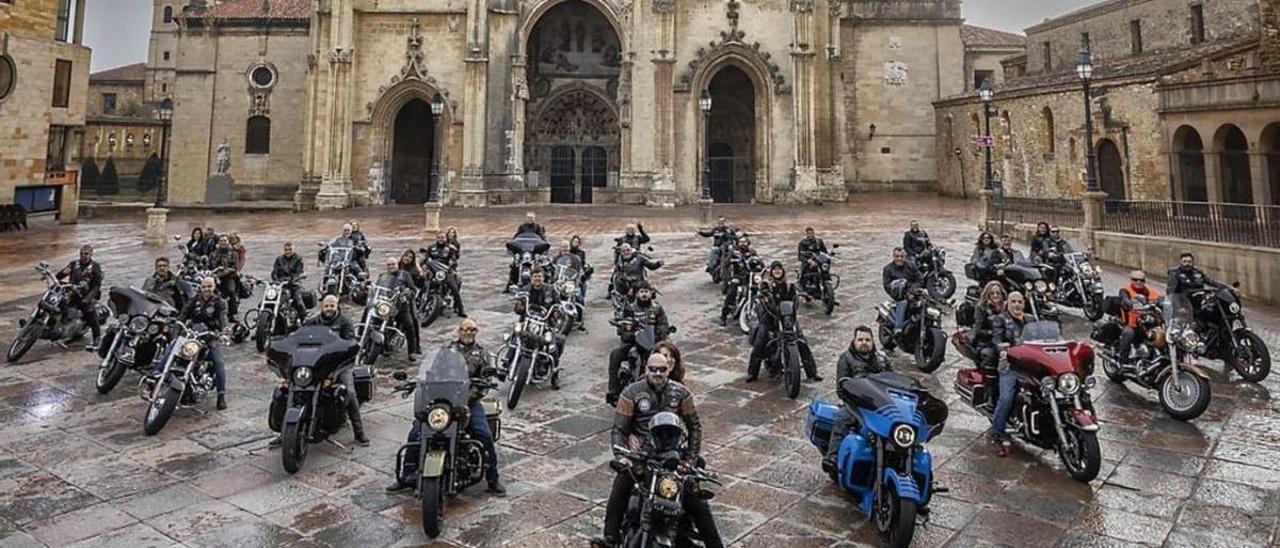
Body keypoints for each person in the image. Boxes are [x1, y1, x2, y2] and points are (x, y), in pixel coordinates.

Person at [593, 353, 721, 548]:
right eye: (653, 369)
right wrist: (622, 457)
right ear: (646, 369)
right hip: (642, 456)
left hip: (673, 457)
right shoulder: (631, 393)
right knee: (621, 483)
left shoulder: (681, 393)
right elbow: (619, 429)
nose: (657, 373)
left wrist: (691, 459)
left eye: (662, 369)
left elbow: (695, 427)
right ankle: (610, 537)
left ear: (669, 369)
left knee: (697, 500)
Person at [387, 319, 506, 495]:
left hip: (468, 402)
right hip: (443, 401)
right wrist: (421, 385)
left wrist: (469, 395)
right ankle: (406, 476)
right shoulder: (446, 351)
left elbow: (486, 381)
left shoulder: (482, 354)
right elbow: (432, 372)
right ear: (459, 331)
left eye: (472, 329)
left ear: (476, 331)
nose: (468, 332)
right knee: (415, 433)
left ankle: (493, 478)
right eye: (465, 329)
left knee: (484, 435)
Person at [286, 294, 367, 446]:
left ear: (337, 307)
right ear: (322, 306)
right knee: (288, 387)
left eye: (332, 306)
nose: (329, 309)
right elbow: (298, 337)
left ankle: (359, 432)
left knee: (349, 392)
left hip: (339, 365)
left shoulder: (345, 322)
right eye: (327, 306)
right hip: (316, 364)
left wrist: (347, 347)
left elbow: (350, 342)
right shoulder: (312, 322)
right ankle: (284, 432)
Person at [822, 325, 891, 474]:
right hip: (855, 404)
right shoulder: (846, 359)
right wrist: (854, 399)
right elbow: (841, 388)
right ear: (854, 341)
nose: (864, 342)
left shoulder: (882, 359)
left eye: (867, 340)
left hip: (879, 404)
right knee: (843, 420)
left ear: (873, 341)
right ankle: (832, 456)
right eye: (860, 340)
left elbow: (892, 380)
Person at [746, 261, 820, 382]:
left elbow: (797, 291)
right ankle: (752, 373)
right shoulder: (767, 285)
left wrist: (805, 295)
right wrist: (762, 294)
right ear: (772, 272)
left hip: (788, 317)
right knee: (760, 341)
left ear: (783, 271)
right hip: (770, 317)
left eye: (779, 269)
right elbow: (761, 293)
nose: (777, 271)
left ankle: (812, 372)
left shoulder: (789, 285)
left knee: (802, 342)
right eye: (775, 270)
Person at [606, 282, 672, 405]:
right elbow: (623, 326)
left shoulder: (657, 308)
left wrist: (662, 333)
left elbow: (663, 324)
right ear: (637, 294)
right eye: (641, 292)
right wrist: (628, 333)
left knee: (668, 356)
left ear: (651, 293)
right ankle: (613, 390)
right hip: (633, 343)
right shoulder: (630, 308)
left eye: (646, 291)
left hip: (652, 342)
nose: (644, 294)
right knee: (615, 355)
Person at [177, 277, 229, 410]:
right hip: (193, 334)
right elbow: (183, 315)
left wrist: (223, 332)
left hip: (211, 336)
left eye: (209, 286)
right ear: (200, 287)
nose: (206, 289)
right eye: (204, 286)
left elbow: (223, 318)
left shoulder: (219, 302)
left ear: (214, 287)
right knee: (174, 351)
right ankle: (158, 376)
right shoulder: (194, 300)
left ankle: (221, 395)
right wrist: (177, 328)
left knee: (218, 362)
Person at [991, 291, 1031, 457]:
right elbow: (997, 339)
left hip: (1031, 365)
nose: (1017, 305)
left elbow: (1043, 337)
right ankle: (998, 432)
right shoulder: (1000, 320)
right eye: (1013, 302)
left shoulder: (1031, 320)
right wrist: (1003, 350)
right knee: (1007, 396)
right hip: (1010, 365)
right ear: (1007, 303)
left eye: (1020, 302)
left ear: (1024, 303)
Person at [374, 256, 422, 360]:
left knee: (409, 325)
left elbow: (413, 290)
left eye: (393, 264)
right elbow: (376, 289)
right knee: (373, 320)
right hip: (385, 306)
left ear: (397, 264)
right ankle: (372, 344)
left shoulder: (404, 274)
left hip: (400, 306)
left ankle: (412, 351)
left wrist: (406, 296)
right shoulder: (382, 276)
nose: (391, 266)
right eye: (389, 265)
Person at [967, 281, 1006, 407]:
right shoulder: (981, 308)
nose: (995, 295)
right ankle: (989, 395)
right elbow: (977, 327)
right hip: (986, 342)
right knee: (990, 356)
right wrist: (991, 332)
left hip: (1004, 341)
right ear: (987, 295)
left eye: (998, 293)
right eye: (992, 293)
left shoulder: (1007, 306)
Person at [58, 244, 104, 349]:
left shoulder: (95, 267)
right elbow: (62, 274)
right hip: (72, 293)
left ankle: (97, 337)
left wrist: (88, 298)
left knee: (90, 312)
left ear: (91, 254)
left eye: (86, 254)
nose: (83, 256)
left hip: (85, 296)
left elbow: (97, 285)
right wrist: (53, 279)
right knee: (58, 303)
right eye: (82, 253)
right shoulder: (74, 264)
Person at [1117, 270, 1160, 367]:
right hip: (1131, 324)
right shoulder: (1125, 290)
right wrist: (1130, 304)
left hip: (1147, 324)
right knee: (1128, 333)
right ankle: (1122, 361)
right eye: (1135, 280)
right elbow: (1124, 299)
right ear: (1131, 280)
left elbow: (1160, 299)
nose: (1138, 282)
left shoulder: (1149, 292)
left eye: (1141, 280)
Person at [1167, 252, 1233, 313]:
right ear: (1181, 262)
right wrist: (1178, 306)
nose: (1187, 264)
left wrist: (1229, 288)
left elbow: (1212, 282)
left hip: (1201, 301)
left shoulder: (1197, 272)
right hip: (1185, 302)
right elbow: (1171, 292)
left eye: (1190, 262)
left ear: (1193, 262)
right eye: (1185, 261)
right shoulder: (1175, 273)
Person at [882, 247, 922, 337]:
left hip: (913, 292)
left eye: (901, 256)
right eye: (897, 256)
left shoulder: (912, 266)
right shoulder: (888, 269)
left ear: (905, 257)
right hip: (899, 295)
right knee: (903, 303)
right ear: (893, 257)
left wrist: (913, 290)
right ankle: (898, 328)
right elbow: (887, 285)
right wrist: (898, 291)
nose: (899, 258)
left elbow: (920, 279)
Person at [718, 236, 757, 326]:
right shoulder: (734, 253)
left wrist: (761, 268)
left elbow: (760, 263)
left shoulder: (752, 253)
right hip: (737, 277)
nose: (743, 244)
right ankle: (723, 316)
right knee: (731, 293)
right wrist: (728, 279)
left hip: (749, 277)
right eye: (741, 242)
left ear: (748, 243)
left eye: (744, 242)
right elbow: (725, 265)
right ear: (738, 243)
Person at [425, 232, 466, 317]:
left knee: (454, 289)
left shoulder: (450, 248)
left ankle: (460, 309)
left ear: (445, 238)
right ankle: (421, 302)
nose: (441, 239)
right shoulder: (431, 248)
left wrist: (452, 264)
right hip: (433, 271)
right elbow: (426, 259)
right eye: (439, 237)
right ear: (436, 238)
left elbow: (453, 259)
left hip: (445, 272)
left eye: (442, 237)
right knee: (424, 284)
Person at [209, 236, 242, 321]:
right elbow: (208, 266)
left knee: (231, 291)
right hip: (214, 277)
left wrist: (227, 272)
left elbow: (236, 267)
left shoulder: (233, 254)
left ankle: (233, 313)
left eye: (225, 241)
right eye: (221, 241)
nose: (223, 242)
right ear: (218, 243)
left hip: (229, 277)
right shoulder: (213, 254)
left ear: (228, 242)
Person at [271, 243, 306, 319]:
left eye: (290, 249)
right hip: (281, 286)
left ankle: (304, 320)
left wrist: (294, 279)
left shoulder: (298, 258)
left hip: (294, 285)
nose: (288, 252)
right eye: (286, 250)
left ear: (293, 250)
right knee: (270, 298)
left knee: (298, 301)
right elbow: (274, 272)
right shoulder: (279, 259)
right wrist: (276, 280)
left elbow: (299, 272)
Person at [570, 234, 592, 304]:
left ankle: (582, 300)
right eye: (574, 241)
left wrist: (586, 270)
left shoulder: (581, 252)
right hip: (569, 272)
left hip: (578, 271)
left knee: (583, 283)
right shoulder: (568, 251)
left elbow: (583, 263)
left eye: (577, 242)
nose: (575, 243)